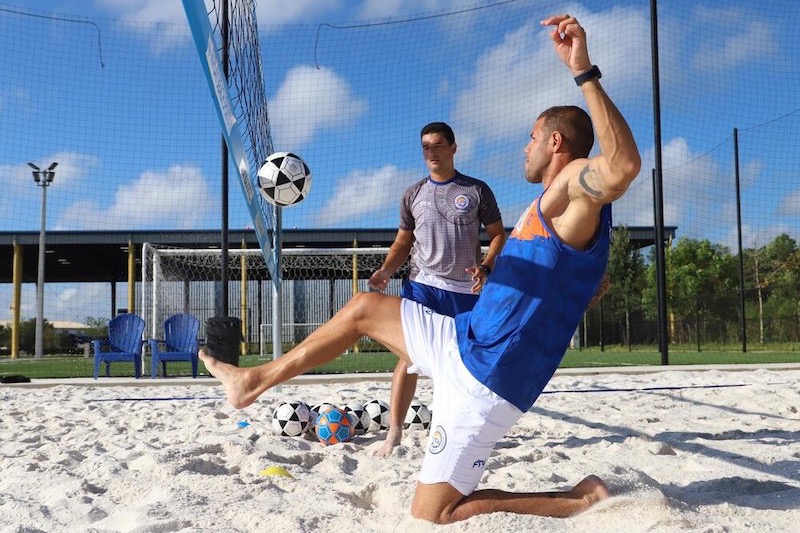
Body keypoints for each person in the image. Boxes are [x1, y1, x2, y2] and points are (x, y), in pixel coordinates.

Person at [200, 14, 641, 523]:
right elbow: (562, 281)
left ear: (556, 143)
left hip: (486, 379)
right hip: (465, 338)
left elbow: (624, 166)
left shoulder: (572, 190)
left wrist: (583, 71)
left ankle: (582, 499)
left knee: (434, 515)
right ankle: (251, 382)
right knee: (365, 307)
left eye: (532, 137)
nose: (526, 146)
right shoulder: (547, 207)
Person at [368, 121, 506, 457]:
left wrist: (487, 266)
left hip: (465, 289)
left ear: (453, 148)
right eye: (426, 146)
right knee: (408, 357)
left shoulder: (476, 190)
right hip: (423, 285)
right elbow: (403, 241)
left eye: (438, 145)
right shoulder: (413, 193)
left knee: (464, 363)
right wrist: (386, 270)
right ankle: (395, 434)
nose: (431, 152)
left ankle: (467, 430)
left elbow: (499, 235)